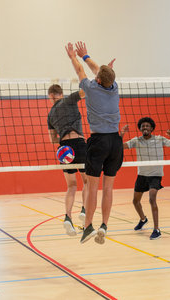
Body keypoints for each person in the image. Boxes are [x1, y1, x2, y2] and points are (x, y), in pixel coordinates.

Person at [66, 41, 123, 244]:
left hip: (98, 141)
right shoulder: (113, 87)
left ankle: (88, 225)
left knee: (91, 186)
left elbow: (82, 69)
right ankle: (104, 225)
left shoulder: (90, 88)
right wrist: (87, 56)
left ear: (98, 80)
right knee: (108, 188)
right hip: (116, 143)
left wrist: (75, 56)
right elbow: (98, 70)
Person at [121, 117, 170, 240]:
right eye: (143, 126)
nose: (145, 128)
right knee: (135, 201)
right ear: (140, 129)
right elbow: (120, 146)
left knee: (152, 199)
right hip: (142, 174)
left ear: (152, 128)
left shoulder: (159, 139)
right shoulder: (136, 140)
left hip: (155, 175)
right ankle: (143, 219)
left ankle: (156, 230)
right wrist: (121, 134)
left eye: (147, 126)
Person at [47, 84, 88, 235]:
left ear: (51, 96)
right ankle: (84, 209)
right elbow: (85, 92)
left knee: (71, 186)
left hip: (64, 149)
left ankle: (67, 217)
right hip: (79, 144)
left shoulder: (50, 114)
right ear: (61, 93)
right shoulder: (69, 99)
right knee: (87, 181)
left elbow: (53, 139)